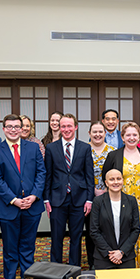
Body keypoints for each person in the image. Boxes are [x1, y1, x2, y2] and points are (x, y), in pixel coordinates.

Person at [0, 114, 46, 279]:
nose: (13, 130)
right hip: (9, 206)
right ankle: (10, 278)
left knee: (28, 244)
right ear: (4, 129)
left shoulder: (34, 148)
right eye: (9, 127)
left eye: (17, 126)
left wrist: (34, 195)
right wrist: (14, 200)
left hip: (32, 205)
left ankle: (27, 276)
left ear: (22, 129)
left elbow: (41, 173)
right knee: (10, 245)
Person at [103, 122, 140, 268]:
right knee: (124, 234)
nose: (131, 138)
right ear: (122, 137)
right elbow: (106, 177)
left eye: (135, 134)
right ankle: (124, 267)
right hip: (121, 204)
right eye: (128, 135)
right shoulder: (113, 155)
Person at [44, 114, 95, 267]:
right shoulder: (51, 148)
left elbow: (89, 175)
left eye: (69, 126)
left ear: (76, 127)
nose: (66, 129)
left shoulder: (85, 147)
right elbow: (48, 175)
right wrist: (46, 199)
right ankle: (56, 269)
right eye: (63, 126)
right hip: (57, 199)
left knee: (76, 237)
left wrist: (89, 199)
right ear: (59, 128)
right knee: (56, 237)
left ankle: (74, 268)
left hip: (79, 199)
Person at [89, 170, 140, 269]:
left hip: (126, 256)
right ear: (106, 183)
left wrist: (122, 252)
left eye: (118, 179)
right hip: (103, 257)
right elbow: (94, 231)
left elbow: (136, 229)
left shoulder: (131, 201)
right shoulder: (98, 202)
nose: (116, 182)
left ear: (123, 180)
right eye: (112, 179)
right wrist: (111, 254)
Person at [87, 122, 116, 268]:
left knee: (107, 228)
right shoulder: (83, 149)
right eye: (94, 132)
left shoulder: (113, 151)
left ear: (105, 133)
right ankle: (92, 262)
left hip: (108, 195)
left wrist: (106, 189)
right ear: (89, 133)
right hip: (87, 196)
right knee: (91, 230)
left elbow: (117, 174)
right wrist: (92, 189)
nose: (97, 134)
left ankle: (108, 260)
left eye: (100, 132)